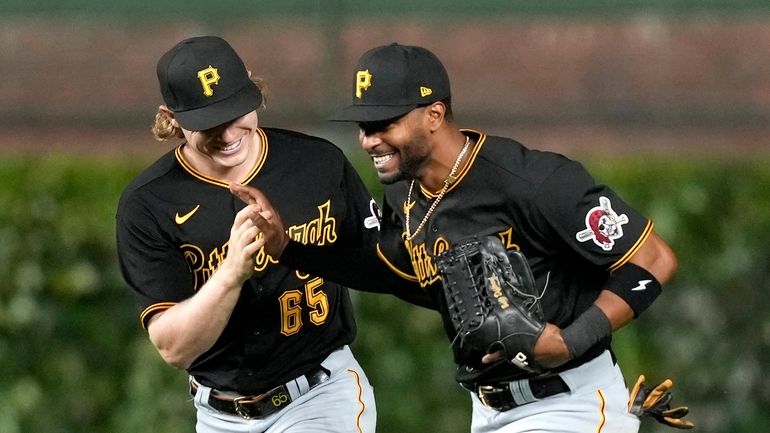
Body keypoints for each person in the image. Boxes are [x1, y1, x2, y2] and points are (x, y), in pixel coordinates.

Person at [230, 43, 685, 432]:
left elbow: (653, 258)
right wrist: (288, 247)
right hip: (487, 410)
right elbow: (392, 271)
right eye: (363, 127)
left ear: (434, 114)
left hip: (568, 402)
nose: (369, 141)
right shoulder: (406, 195)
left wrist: (571, 340)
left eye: (384, 123)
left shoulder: (534, 182)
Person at [114, 35, 412, 433]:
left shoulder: (317, 164)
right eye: (207, 121)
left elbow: (384, 260)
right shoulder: (149, 204)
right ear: (171, 118)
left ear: (253, 90)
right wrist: (232, 272)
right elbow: (174, 347)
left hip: (320, 395)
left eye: (235, 110)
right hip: (219, 416)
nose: (226, 132)